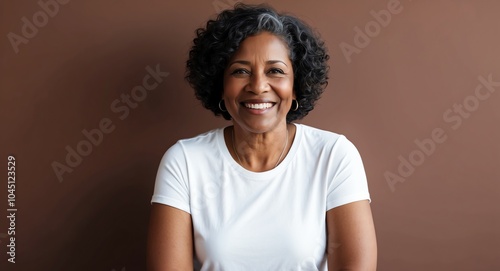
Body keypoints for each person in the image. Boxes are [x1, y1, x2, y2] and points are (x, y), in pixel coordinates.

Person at [147, 3, 377, 271]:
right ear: (220, 86)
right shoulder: (185, 162)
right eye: (240, 71)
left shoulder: (334, 155)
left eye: (275, 71)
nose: (257, 86)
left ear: (296, 86)